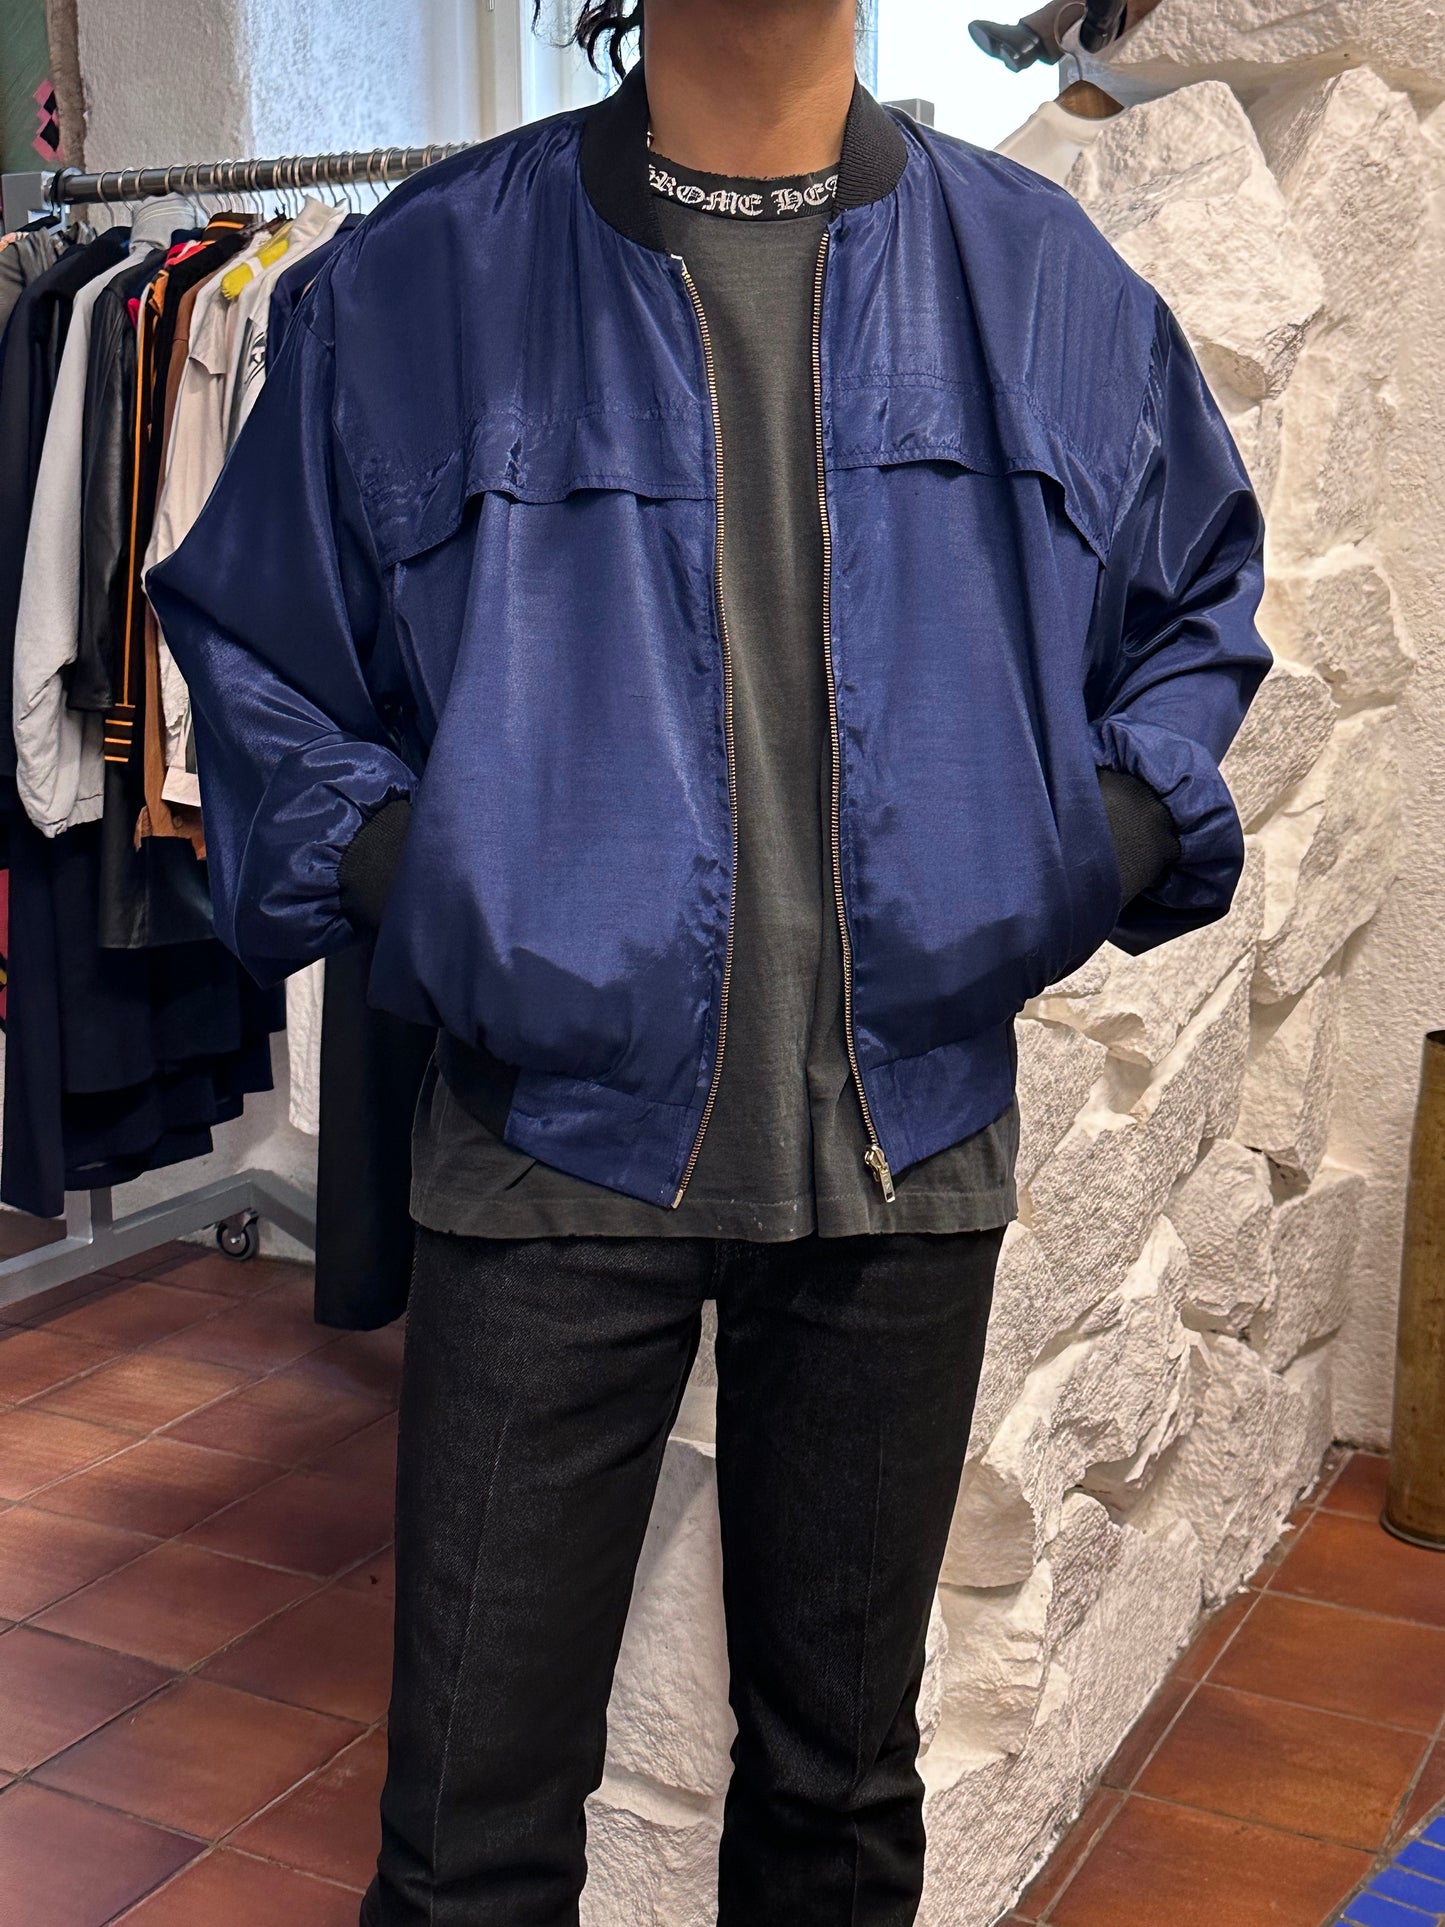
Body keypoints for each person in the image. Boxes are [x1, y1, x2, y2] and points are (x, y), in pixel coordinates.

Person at [147, 1, 1271, 1920]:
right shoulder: (423, 283)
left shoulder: (1038, 281)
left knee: (840, 1796)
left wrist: (1084, 847)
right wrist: (438, 880)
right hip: (540, 1155)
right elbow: (255, 652)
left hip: (904, 1158)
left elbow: (1194, 606)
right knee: (467, 1830)